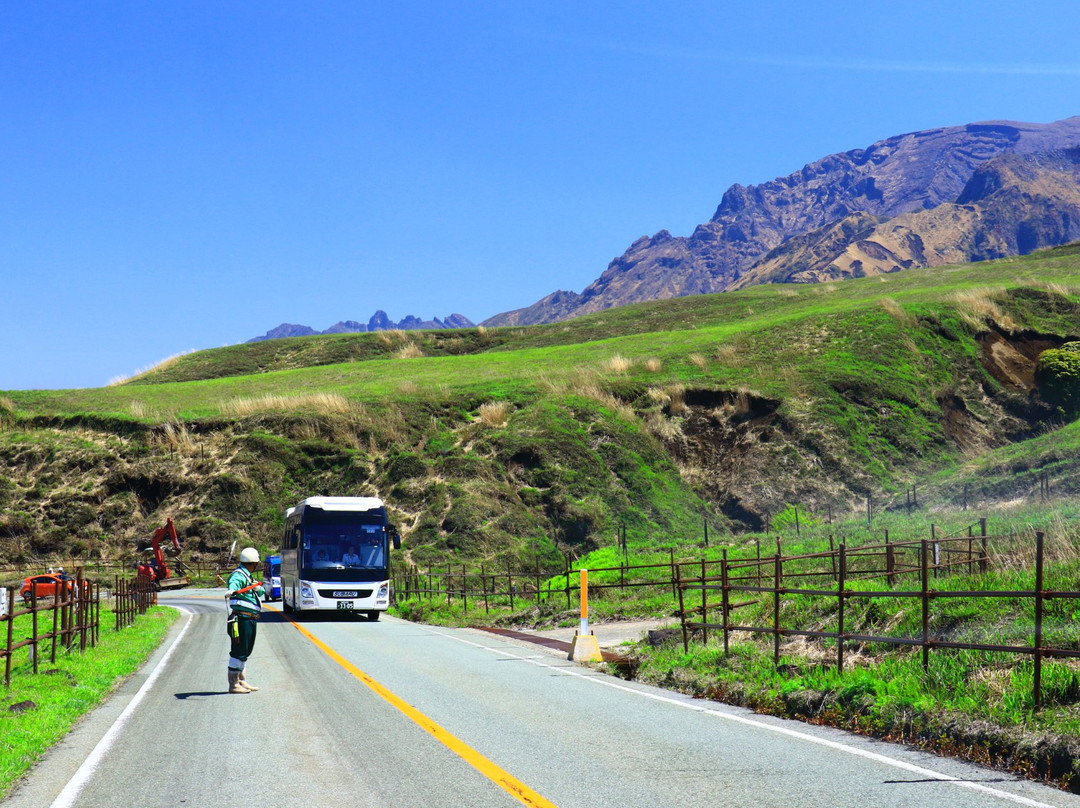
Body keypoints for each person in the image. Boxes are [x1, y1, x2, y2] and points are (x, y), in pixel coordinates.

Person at [226, 547, 263, 694]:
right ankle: (233, 684)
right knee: (239, 650)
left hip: (250, 618)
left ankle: (241, 680)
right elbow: (233, 584)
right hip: (242, 618)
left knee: (246, 650)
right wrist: (232, 590)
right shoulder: (239, 575)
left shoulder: (248, 577)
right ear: (253, 563)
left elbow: (258, 591)